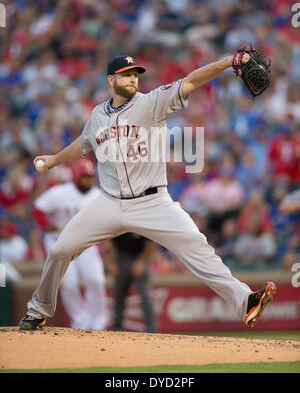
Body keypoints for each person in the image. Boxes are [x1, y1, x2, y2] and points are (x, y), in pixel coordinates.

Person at [19, 52, 276, 330]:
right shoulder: (96, 116)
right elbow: (85, 142)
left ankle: (246, 302)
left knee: (195, 244)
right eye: (126, 74)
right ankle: (38, 311)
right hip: (108, 203)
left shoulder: (152, 102)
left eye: (134, 74)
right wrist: (56, 159)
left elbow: (190, 81)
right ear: (111, 79)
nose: (132, 78)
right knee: (59, 250)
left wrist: (227, 62)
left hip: (153, 202)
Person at [32, 158, 108, 330]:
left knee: (95, 279)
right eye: (84, 177)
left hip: (85, 242)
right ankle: (80, 321)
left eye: (90, 177)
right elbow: (37, 208)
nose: (88, 180)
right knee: (69, 283)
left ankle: (99, 322)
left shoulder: (97, 195)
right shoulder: (60, 193)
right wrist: (45, 225)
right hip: (59, 240)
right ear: (75, 177)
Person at [103, 233, 156, 333]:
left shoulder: (141, 219)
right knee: (119, 296)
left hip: (139, 257)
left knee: (145, 296)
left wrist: (142, 261)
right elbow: (106, 240)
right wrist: (111, 262)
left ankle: (151, 330)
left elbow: (152, 241)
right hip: (120, 258)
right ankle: (116, 329)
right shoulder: (119, 220)